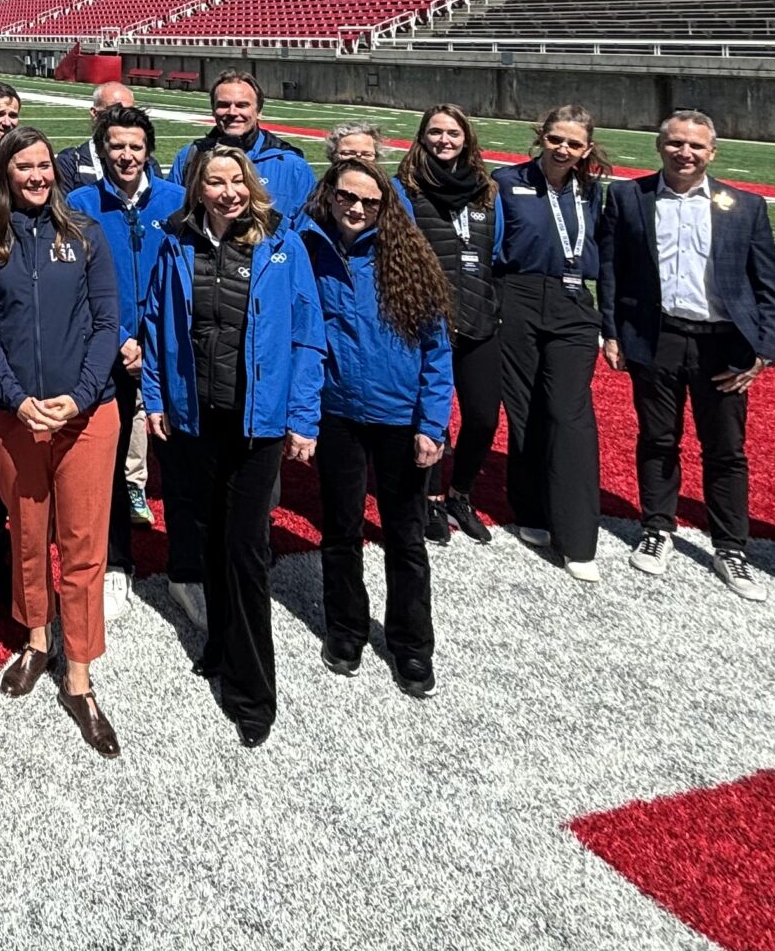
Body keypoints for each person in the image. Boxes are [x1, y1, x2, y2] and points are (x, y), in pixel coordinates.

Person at [141, 147, 319, 748]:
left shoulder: (280, 244)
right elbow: (158, 322)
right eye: (215, 181)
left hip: (256, 423)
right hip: (197, 418)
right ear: (198, 187)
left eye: (236, 180)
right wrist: (158, 399)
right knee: (208, 535)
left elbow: (305, 334)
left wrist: (301, 417)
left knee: (245, 551)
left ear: (252, 186)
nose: (227, 191)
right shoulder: (176, 243)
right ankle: (219, 646)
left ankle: (253, 690)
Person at [0, 130, 123, 756]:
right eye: (22, 167)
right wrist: (13, 394)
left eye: (42, 166)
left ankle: (79, 678)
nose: (35, 176)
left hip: (86, 416)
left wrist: (79, 395)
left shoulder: (83, 233)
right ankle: (37, 639)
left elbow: (108, 320)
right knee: (28, 537)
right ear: (5, 173)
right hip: (15, 416)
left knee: (82, 548)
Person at [599, 112, 775, 603]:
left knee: (726, 449)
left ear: (713, 153)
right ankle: (657, 527)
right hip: (656, 336)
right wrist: (612, 331)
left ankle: (731, 547)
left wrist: (765, 350)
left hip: (722, 343)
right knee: (657, 438)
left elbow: (770, 284)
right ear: (660, 147)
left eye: (696, 146)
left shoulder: (744, 206)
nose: (686, 153)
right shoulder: (628, 196)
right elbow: (612, 270)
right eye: (676, 143)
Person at [303, 157, 452, 699]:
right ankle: (346, 630)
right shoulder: (307, 250)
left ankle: (412, 645)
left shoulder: (409, 259)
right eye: (347, 197)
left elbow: (438, 354)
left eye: (369, 201)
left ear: (386, 206)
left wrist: (431, 424)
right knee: (341, 530)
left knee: (404, 537)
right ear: (329, 195)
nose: (356, 208)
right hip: (338, 414)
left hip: (399, 418)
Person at [67, 103, 179, 621]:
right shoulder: (80, 202)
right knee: (106, 464)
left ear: (148, 150)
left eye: (136, 146)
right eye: (117, 146)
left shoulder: (178, 202)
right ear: (102, 149)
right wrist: (116, 338)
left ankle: (186, 568)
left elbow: (185, 283)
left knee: (178, 463)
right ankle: (116, 563)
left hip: (166, 353)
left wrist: (153, 343)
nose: (127, 155)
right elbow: (77, 285)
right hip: (105, 352)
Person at [495, 105, 611, 584]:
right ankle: (532, 512)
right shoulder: (505, 181)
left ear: (586, 148)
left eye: (574, 143)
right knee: (522, 410)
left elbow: (610, 255)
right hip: (516, 294)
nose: (563, 149)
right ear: (540, 136)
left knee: (568, 413)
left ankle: (578, 536)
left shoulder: (595, 193)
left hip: (572, 302)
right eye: (556, 139)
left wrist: (614, 325)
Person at [395, 106, 504, 547]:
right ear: (422, 137)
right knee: (428, 417)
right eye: (436, 132)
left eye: (453, 132)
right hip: (426, 318)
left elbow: (495, 250)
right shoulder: (406, 189)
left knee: (482, 416)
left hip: (478, 316)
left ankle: (461, 493)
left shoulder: (488, 191)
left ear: (466, 139)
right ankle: (430, 498)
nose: (444, 140)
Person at [170, 72, 314, 222]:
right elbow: (173, 216)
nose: (232, 112)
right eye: (224, 105)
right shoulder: (189, 158)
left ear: (259, 111)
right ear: (213, 110)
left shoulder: (292, 166)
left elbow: (305, 230)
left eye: (242, 105)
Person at [54, 81, 140, 195]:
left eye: (130, 113)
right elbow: (62, 210)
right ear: (95, 113)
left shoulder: (146, 164)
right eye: (115, 111)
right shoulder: (71, 162)